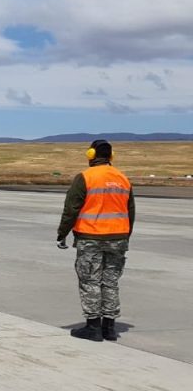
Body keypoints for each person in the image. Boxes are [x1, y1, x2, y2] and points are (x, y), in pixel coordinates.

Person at [56, 139, 135, 342]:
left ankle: (93, 327)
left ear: (91, 155)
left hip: (91, 237)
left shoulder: (85, 177)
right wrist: (125, 235)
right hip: (118, 238)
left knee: (90, 280)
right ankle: (109, 327)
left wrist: (62, 233)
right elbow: (130, 211)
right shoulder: (123, 179)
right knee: (110, 282)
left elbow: (71, 208)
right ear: (111, 156)